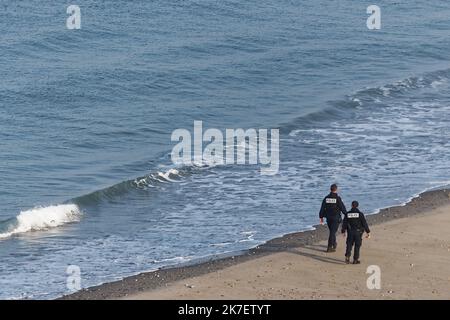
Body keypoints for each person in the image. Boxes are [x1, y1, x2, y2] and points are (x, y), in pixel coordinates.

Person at [319, 184, 347, 252]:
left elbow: (322, 208)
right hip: (336, 218)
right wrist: (346, 215)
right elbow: (342, 208)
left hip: (328, 218)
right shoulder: (338, 198)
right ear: (336, 189)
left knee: (332, 231)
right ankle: (329, 247)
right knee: (332, 232)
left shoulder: (326, 198)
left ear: (330, 189)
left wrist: (321, 217)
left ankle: (334, 244)